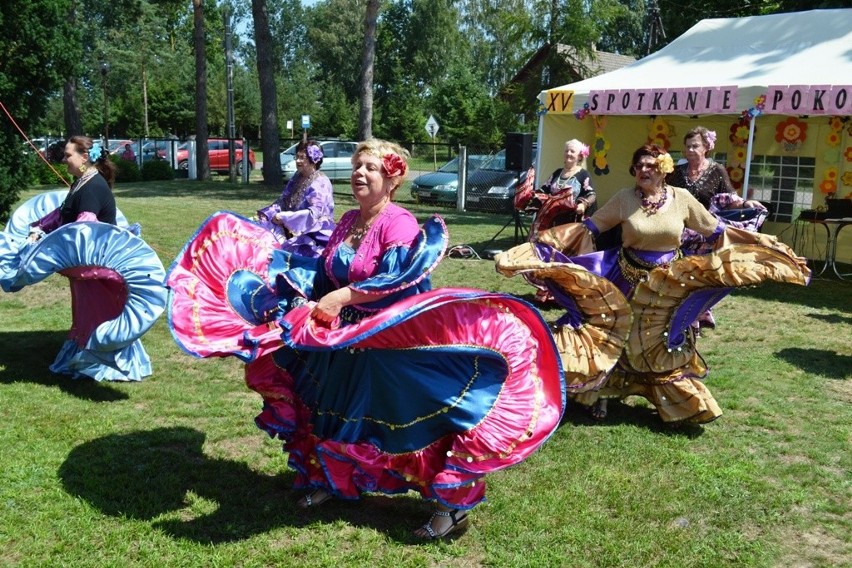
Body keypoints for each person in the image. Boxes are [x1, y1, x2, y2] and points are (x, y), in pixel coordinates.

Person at [168, 139, 565, 539]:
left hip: (389, 344)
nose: (359, 173)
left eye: (370, 168)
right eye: (358, 165)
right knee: (328, 408)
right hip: (340, 341)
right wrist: (288, 287)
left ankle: (451, 507)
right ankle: (332, 480)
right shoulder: (347, 221)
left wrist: (343, 297)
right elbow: (326, 271)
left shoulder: (399, 223)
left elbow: (396, 279)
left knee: (411, 422)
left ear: (391, 180)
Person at [496, 144, 809, 425]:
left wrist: (759, 246)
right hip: (625, 276)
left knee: (660, 344)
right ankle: (601, 395)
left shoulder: (682, 200)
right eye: (638, 166)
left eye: (649, 165)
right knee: (615, 336)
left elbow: (715, 231)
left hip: (667, 284)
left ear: (663, 169)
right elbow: (590, 227)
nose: (642, 171)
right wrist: (546, 245)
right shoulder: (624, 198)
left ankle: (675, 403)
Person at [666, 126, 768, 332]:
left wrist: (745, 204)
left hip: (706, 234)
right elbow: (665, 196)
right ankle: (685, 317)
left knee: (703, 277)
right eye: (687, 147)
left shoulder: (717, 170)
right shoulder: (677, 173)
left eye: (695, 146)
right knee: (683, 277)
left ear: (706, 147)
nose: (691, 150)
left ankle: (696, 316)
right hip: (681, 234)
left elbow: (730, 198)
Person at [518, 139, 597, 303]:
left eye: (572, 152)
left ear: (580, 156)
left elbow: (591, 194)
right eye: (566, 150)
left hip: (567, 226)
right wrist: (530, 197)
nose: (568, 154)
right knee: (546, 257)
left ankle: (561, 294)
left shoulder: (583, 175)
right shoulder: (557, 173)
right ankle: (546, 291)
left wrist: (583, 204)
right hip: (549, 223)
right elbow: (544, 190)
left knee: (562, 259)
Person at [28, 136, 117, 242]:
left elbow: (82, 231)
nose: (63, 160)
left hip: (91, 254)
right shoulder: (81, 182)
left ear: (84, 157)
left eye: (68, 156)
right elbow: (61, 214)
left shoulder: (92, 187)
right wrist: (39, 229)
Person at [255, 139, 334, 256]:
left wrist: (284, 217)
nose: (298, 161)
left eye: (302, 157)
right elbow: (284, 200)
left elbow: (314, 215)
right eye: (297, 157)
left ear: (314, 160)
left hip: (314, 236)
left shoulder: (320, 182)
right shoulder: (297, 177)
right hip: (292, 229)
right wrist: (269, 213)